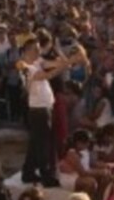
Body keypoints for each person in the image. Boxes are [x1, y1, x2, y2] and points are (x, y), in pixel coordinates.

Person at [18, 38, 73, 185]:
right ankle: (46, 175)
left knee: (35, 143)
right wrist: (63, 67)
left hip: (45, 107)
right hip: (38, 110)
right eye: (35, 49)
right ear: (27, 51)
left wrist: (59, 52)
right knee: (44, 144)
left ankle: (28, 172)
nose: (39, 51)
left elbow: (57, 63)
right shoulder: (26, 68)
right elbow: (46, 75)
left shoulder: (37, 62)